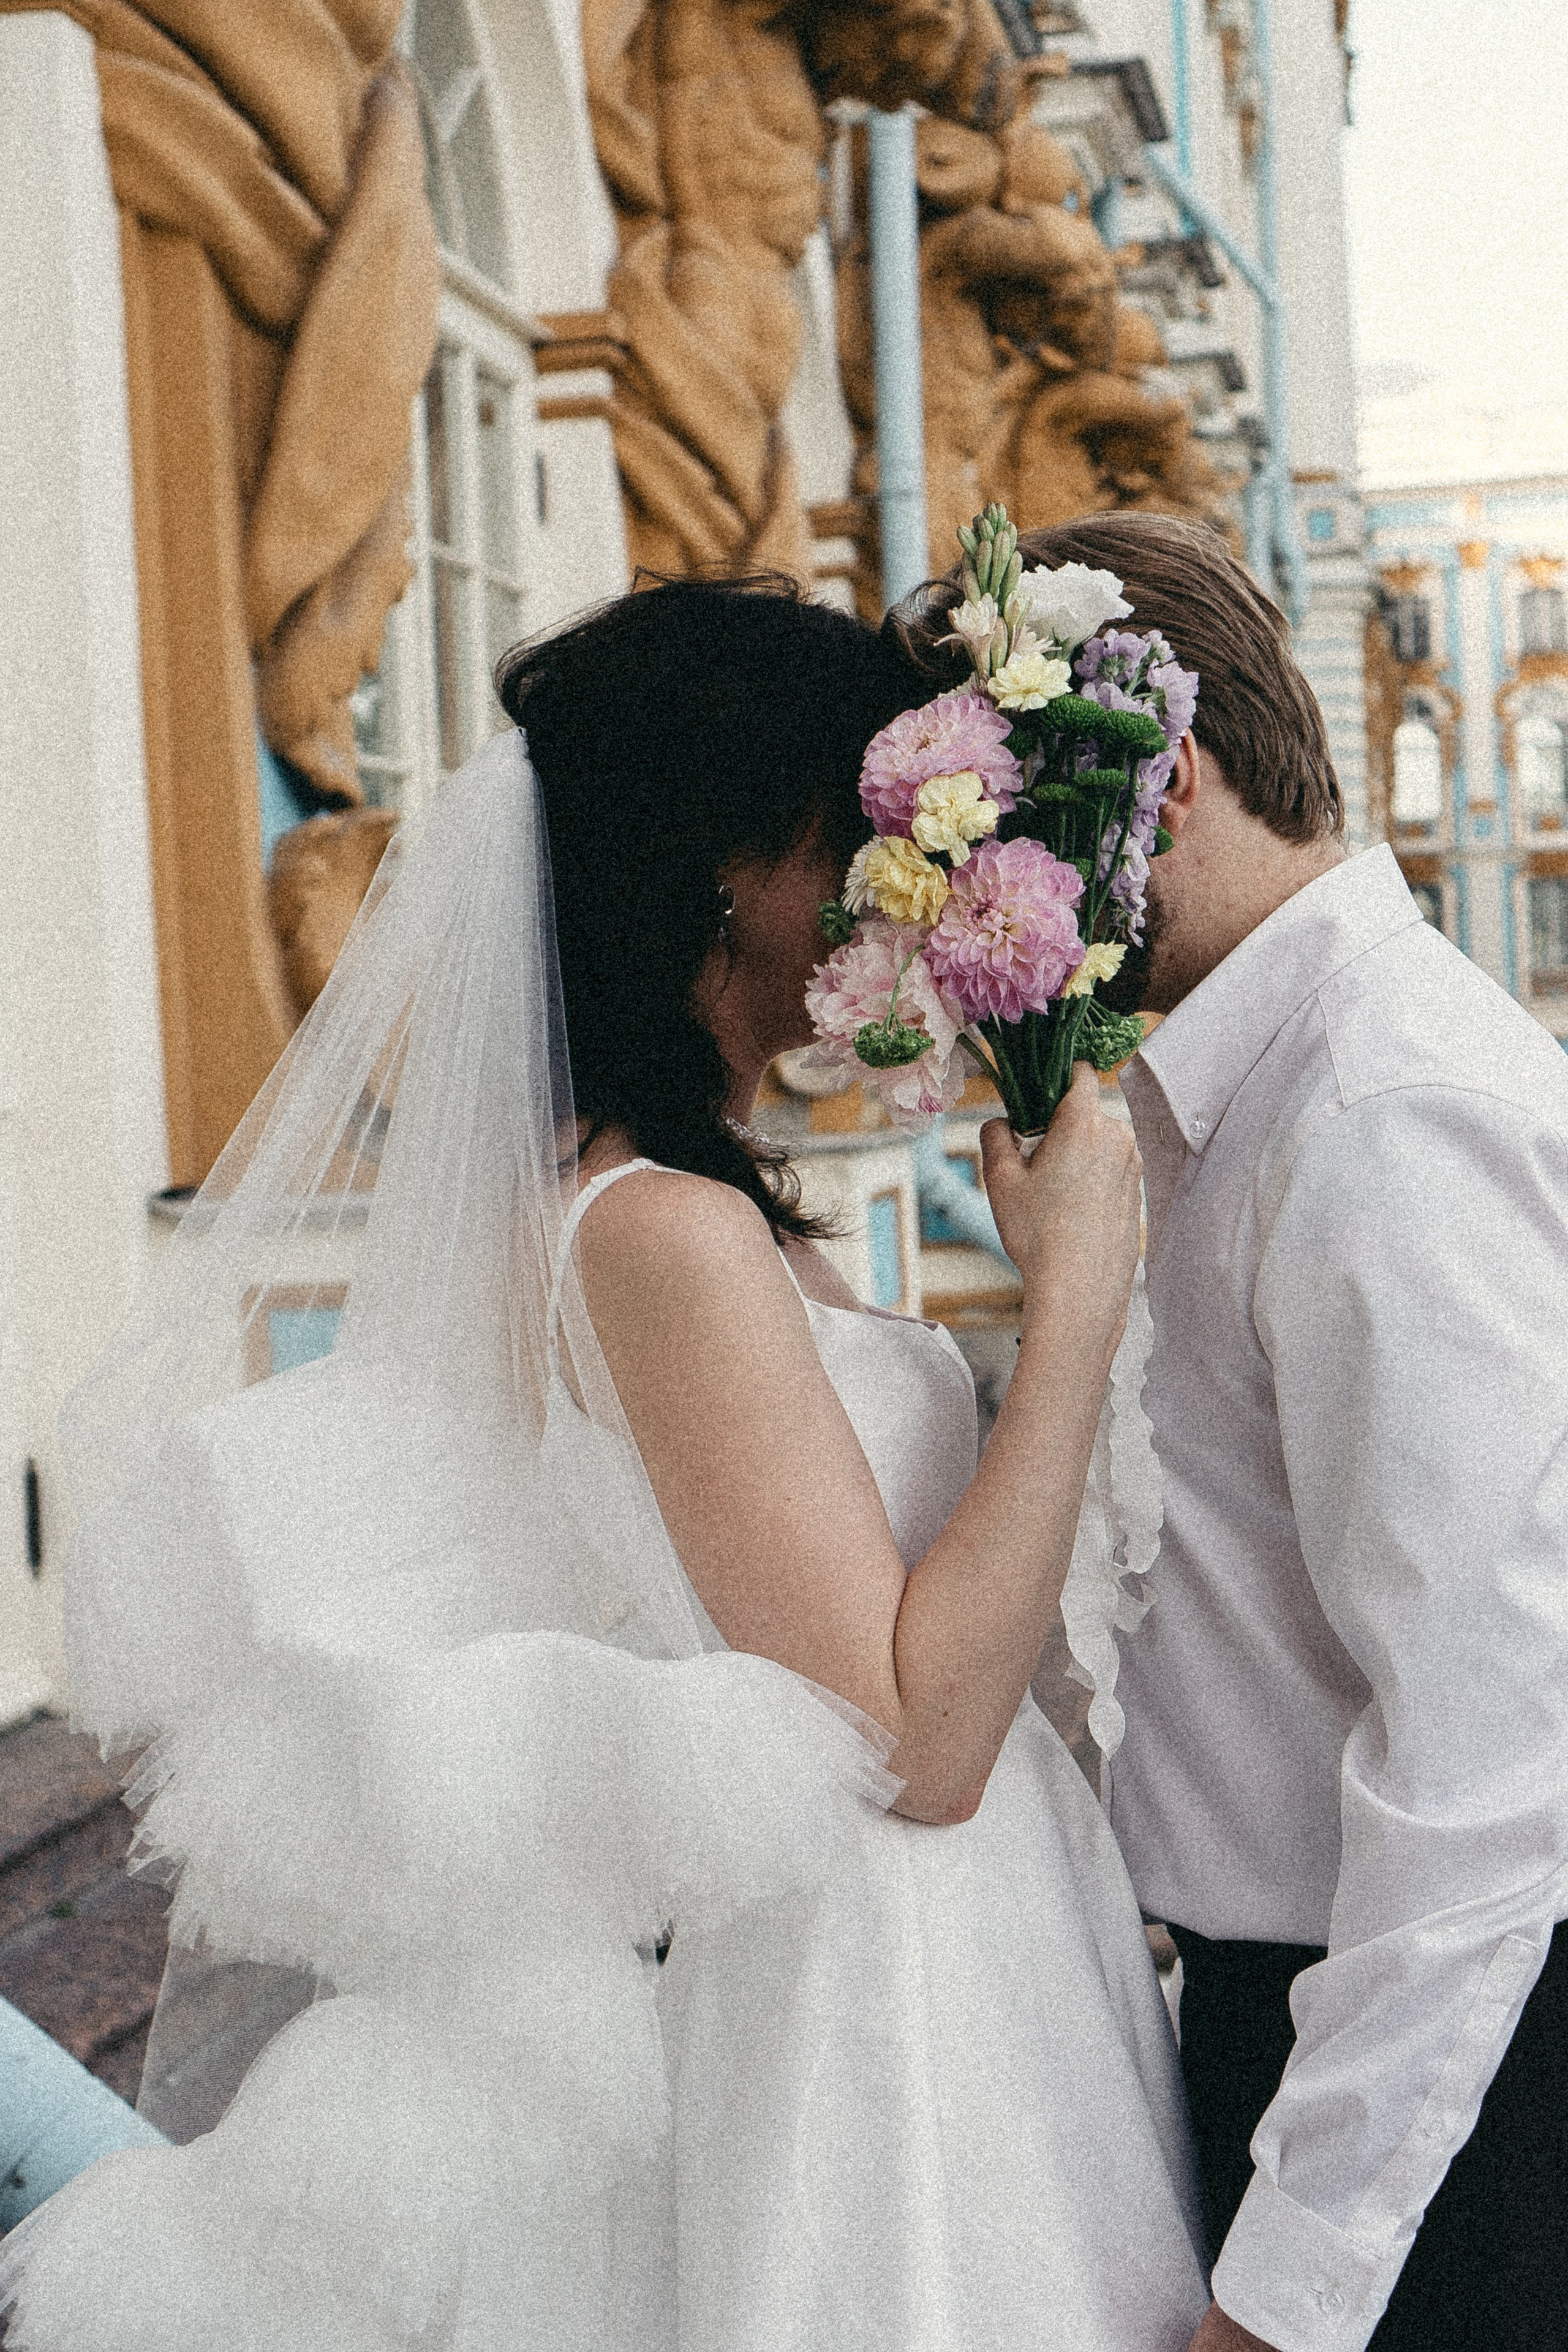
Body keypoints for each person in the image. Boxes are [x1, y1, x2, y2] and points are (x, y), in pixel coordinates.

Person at [0, 578, 1207, 2349]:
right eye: (853, 842)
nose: (898, 887)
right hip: (883, 1989)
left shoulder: (705, 1202)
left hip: (977, 1947)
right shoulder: (657, 1234)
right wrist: (1078, 1306)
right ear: (728, 867)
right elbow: (917, 1744)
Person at [901, 511, 1568, 2352]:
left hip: (1446, 2082)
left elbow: (1494, 1765)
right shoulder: (1230, 1101)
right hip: (1299, 2024)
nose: (971, 923)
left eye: (985, 848)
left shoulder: (1384, 1113)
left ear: (1156, 779)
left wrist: (1294, 2291)